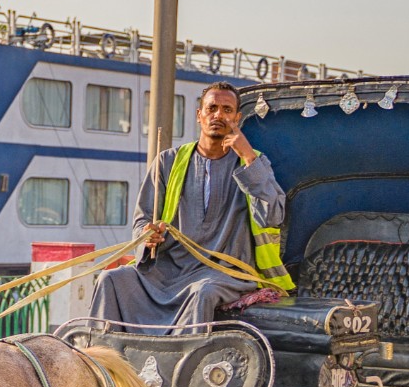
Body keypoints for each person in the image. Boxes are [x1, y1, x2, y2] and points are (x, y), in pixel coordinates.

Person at [90, 81, 292, 329]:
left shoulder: (254, 162)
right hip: (168, 270)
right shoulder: (168, 161)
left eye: (227, 110)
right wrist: (147, 235)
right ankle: (103, 359)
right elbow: (142, 219)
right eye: (212, 108)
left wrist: (248, 157)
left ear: (237, 118)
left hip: (225, 274)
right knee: (111, 279)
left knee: (202, 292)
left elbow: (273, 216)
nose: (218, 115)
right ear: (199, 115)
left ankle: (182, 364)